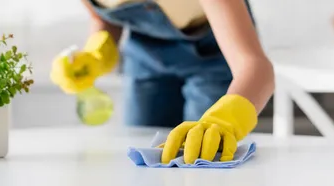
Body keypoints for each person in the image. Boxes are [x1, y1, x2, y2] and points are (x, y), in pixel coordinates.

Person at [51, 0, 274, 164]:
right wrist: (97, 51)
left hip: (214, 59)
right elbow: (102, 16)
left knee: (206, 156)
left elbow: (255, 65)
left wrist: (227, 119)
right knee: (142, 162)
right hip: (145, 59)